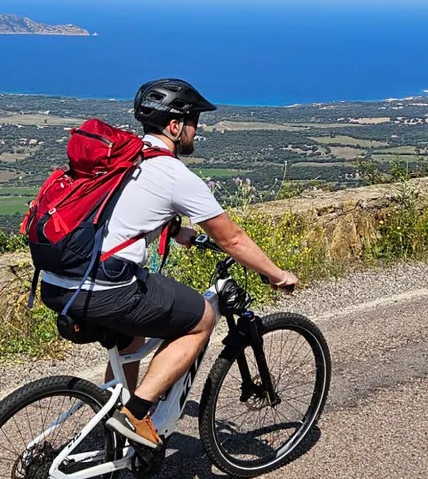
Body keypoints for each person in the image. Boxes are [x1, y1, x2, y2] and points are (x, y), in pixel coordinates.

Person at [38, 78, 299, 451]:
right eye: (193, 122)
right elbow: (233, 239)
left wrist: (178, 231)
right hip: (106, 289)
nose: (196, 131)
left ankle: (118, 424)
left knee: (133, 338)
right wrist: (276, 274)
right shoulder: (174, 174)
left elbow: (124, 211)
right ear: (175, 126)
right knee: (201, 321)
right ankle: (137, 412)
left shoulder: (124, 158)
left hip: (58, 283)